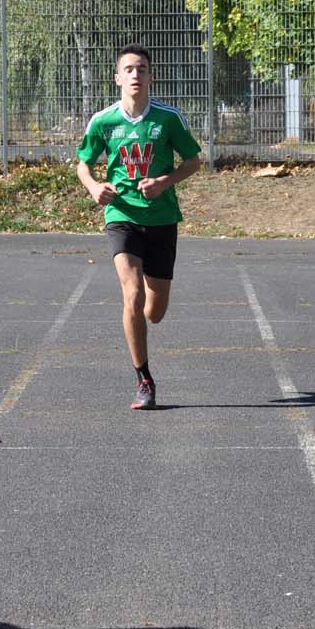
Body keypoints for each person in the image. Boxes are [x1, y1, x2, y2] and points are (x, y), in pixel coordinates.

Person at [75, 44, 204, 410]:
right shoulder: (103, 121)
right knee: (131, 295)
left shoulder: (168, 119)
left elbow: (194, 161)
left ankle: (145, 316)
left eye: (142, 69)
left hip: (162, 218)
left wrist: (165, 181)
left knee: (154, 311)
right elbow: (83, 164)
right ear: (117, 78)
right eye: (129, 69)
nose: (135, 75)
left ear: (150, 76)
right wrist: (94, 187)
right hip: (122, 216)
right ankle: (143, 379)